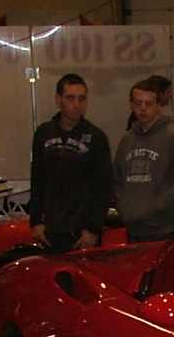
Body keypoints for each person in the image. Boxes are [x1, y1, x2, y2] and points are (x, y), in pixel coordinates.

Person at [28, 73, 113, 253]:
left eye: (82, 99)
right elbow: (38, 178)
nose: (77, 104)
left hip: (82, 232)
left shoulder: (96, 138)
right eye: (70, 98)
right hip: (51, 230)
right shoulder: (44, 133)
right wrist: (35, 220)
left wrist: (94, 229)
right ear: (58, 99)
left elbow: (104, 187)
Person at [113, 77, 174, 243]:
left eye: (149, 104)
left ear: (159, 105)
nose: (143, 109)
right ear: (131, 104)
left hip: (166, 229)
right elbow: (117, 180)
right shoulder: (127, 140)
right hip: (134, 229)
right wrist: (125, 208)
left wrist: (157, 207)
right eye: (138, 103)